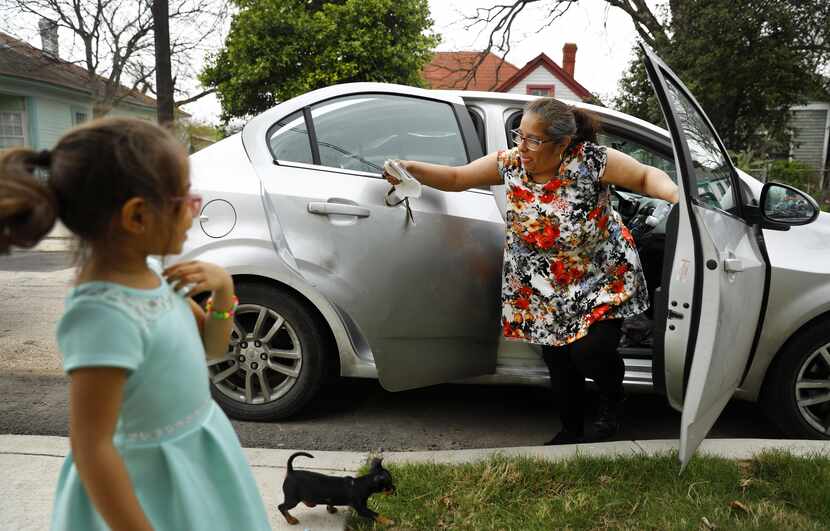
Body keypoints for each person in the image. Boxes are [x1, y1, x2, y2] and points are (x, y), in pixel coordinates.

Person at [0, 118, 271, 530]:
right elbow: (92, 448)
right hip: (148, 492)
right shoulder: (101, 316)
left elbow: (212, 351)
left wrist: (222, 291)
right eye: (185, 200)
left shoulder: (155, 275)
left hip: (196, 465)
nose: (194, 209)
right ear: (138, 216)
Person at [384, 98, 679, 445]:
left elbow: (645, 176)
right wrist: (409, 168)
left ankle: (612, 398)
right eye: (518, 135)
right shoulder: (510, 164)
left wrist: (677, 197)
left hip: (600, 277)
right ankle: (570, 430)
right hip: (543, 287)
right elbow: (457, 178)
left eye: (532, 140)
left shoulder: (590, 161)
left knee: (589, 351)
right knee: (558, 360)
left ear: (562, 143)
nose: (521, 146)